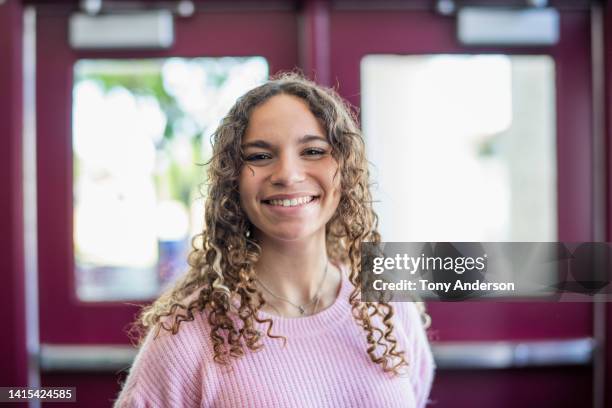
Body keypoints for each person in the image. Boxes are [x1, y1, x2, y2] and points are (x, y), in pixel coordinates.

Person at [114, 72, 435, 407]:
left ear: (345, 169)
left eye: (312, 150)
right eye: (259, 156)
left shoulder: (389, 304)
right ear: (233, 181)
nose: (287, 174)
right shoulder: (186, 337)